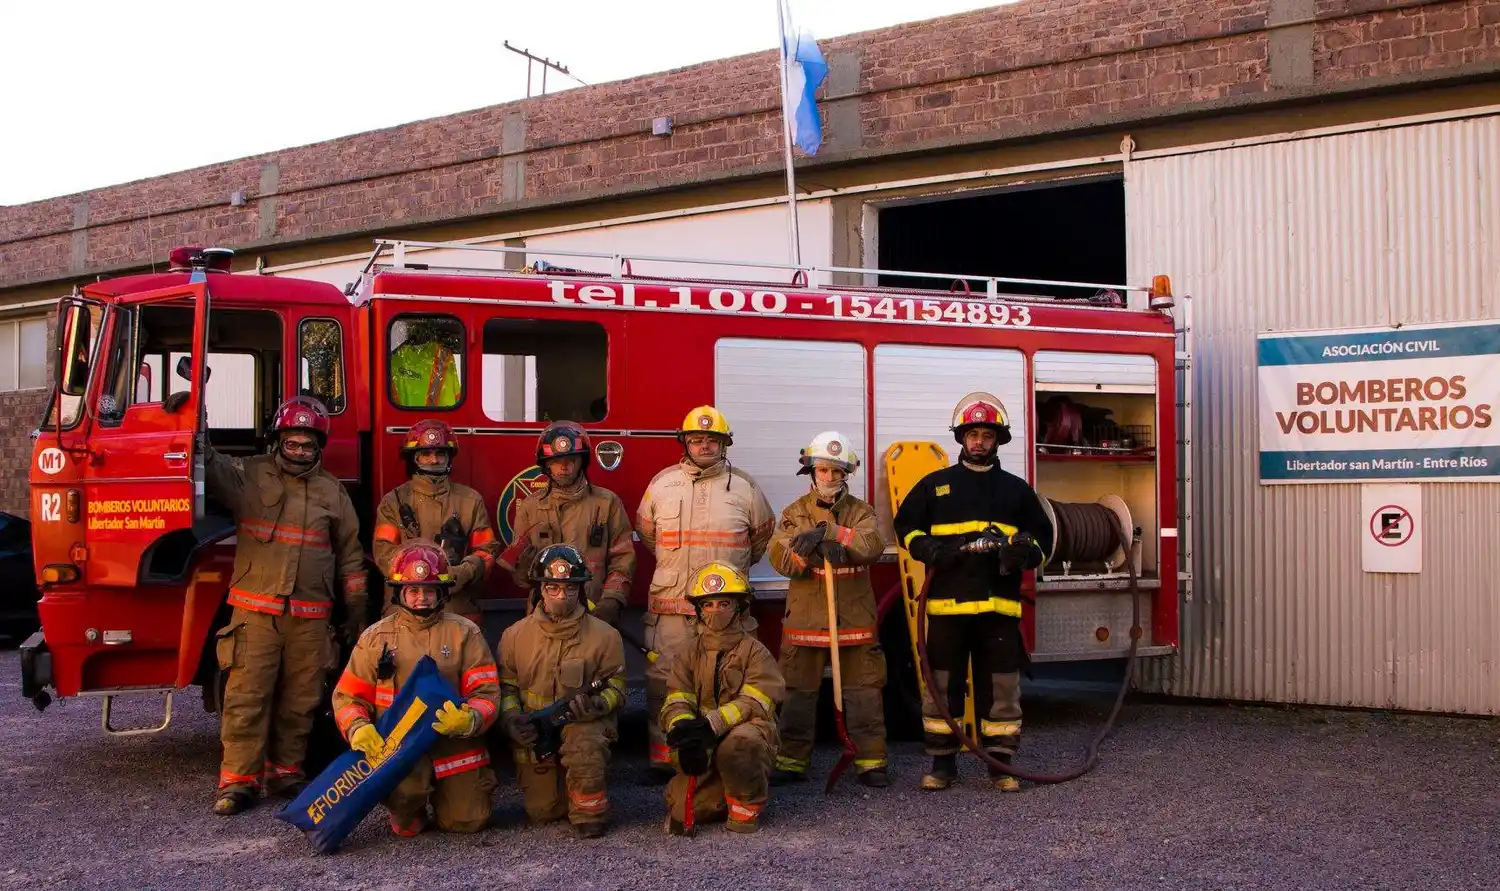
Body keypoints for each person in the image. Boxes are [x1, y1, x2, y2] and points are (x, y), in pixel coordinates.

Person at [206, 396, 368, 815]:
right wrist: (195, 415)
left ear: (319, 446)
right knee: (247, 697)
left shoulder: (332, 493)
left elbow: (350, 558)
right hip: (255, 614)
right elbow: (206, 460)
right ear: (278, 441)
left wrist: (356, 613)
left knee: (302, 700)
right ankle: (237, 783)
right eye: (292, 443)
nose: (299, 451)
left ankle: (285, 772)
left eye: (307, 444)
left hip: (311, 618)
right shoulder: (250, 474)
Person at [893, 392, 1054, 792]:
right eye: (972, 434)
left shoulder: (1016, 491)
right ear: (961, 439)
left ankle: (1000, 763)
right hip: (947, 608)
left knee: (1000, 688)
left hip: (998, 610)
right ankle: (942, 763)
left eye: (987, 434)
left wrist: (1023, 553)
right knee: (941, 687)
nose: (979, 441)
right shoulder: (936, 486)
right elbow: (905, 526)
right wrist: (926, 547)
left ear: (998, 440)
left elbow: (1044, 543)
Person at [635, 405, 774, 784]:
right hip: (672, 609)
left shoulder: (745, 488)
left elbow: (760, 539)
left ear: (724, 443)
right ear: (685, 442)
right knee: (665, 683)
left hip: (725, 612)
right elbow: (648, 535)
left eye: (712, 439)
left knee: (729, 683)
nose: (705, 445)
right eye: (697, 439)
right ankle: (667, 759)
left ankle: (727, 756)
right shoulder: (662, 484)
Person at [332, 541, 500, 836]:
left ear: (442, 592)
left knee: (468, 821)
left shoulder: (465, 633)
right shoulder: (376, 638)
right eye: (414, 590)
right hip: (401, 749)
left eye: (429, 590)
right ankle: (407, 811)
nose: (422, 598)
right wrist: (357, 727)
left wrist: (470, 719)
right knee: (406, 813)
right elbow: (348, 697)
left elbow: (486, 693)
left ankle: (450, 800)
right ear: (400, 593)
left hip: (454, 746)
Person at [767, 431, 889, 788]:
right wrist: (806, 551)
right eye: (824, 470)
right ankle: (791, 761)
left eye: (837, 471)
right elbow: (781, 559)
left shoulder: (861, 512)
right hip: (805, 620)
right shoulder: (793, 513)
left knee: (865, 692)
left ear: (846, 473)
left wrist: (833, 532)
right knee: (797, 695)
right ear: (811, 471)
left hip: (853, 619)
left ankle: (870, 761)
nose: (830, 478)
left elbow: (870, 546)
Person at [497, 544, 627, 839]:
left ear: (580, 590)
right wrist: (512, 720)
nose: (561, 596)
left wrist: (599, 706)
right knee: (544, 811)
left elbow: (618, 687)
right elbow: (506, 688)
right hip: (536, 731)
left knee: (583, 739)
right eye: (552, 587)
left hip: (582, 725)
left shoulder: (605, 636)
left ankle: (589, 812)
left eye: (570, 588)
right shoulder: (514, 636)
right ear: (540, 589)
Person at [661, 563, 786, 835]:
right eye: (708, 604)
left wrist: (712, 724)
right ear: (698, 611)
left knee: (741, 744)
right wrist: (685, 730)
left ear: (739, 608)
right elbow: (676, 699)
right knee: (686, 809)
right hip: (704, 739)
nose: (715, 611)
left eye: (724, 603)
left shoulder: (755, 652)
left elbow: (756, 702)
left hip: (745, 732)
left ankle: (745, 810)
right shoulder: (687, 653)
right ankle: (720, 786)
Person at [497, 421, 635, 625]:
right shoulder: (530, 507)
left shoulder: (607, 503)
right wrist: (522, 570)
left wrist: (612, 599)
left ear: (582, 462)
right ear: (546, 465)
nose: (564, 466)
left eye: (571, 459)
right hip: (542, 618)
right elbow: (522, 579)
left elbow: (623, 558)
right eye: (556, 460)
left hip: (593, 615)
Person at [372, 419, 499, 624]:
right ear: (414, 458)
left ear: (449, 458)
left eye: (441, 453)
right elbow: (384, 553)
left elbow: (486, 552)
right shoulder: (394, 501)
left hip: (457, 607)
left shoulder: (470, 500)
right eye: (426, 454)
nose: (434, 460)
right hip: (405, 605)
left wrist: (460, 574)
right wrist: (418, 575)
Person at [388, 318, 461, 408]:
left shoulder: (394, 359)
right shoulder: (443, 355)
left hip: (400, 421)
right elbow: (456, 399)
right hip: (436, 420)